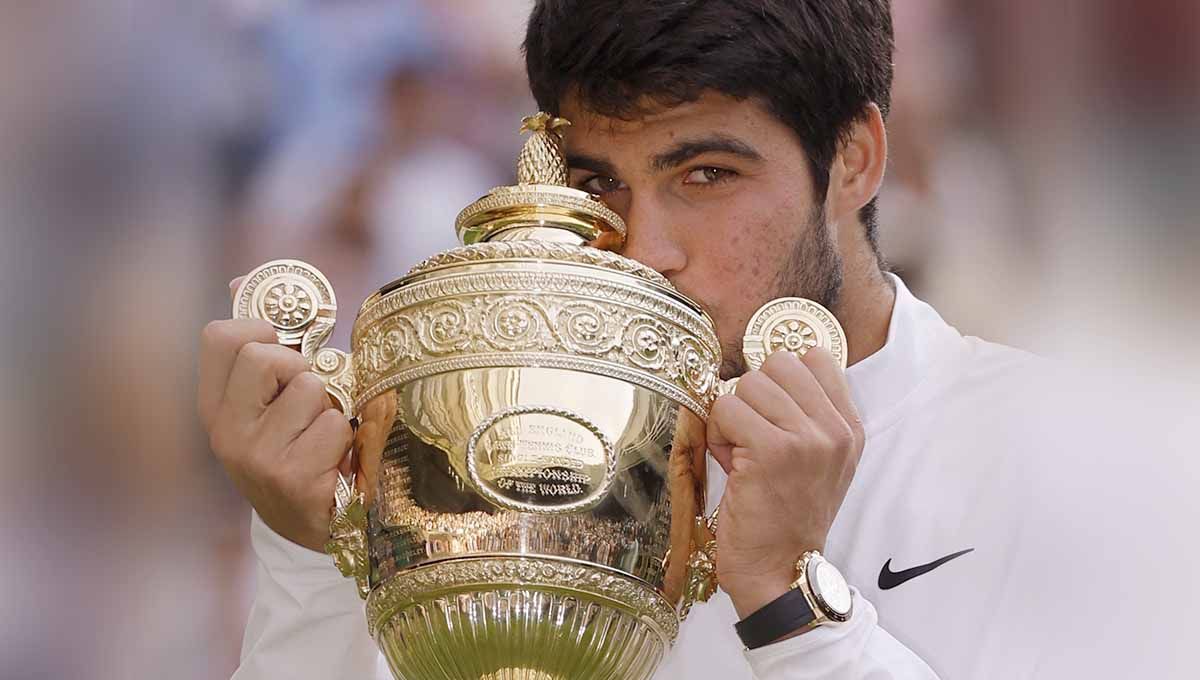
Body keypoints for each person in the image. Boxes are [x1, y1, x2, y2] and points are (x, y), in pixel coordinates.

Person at [197, 1, 1198, 678]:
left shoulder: (1076, 454)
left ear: (854, 160)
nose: (648, 248)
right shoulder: (506, 462)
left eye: (707, 173)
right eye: (599, 185)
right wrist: (306, 547)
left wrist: (787, 602)